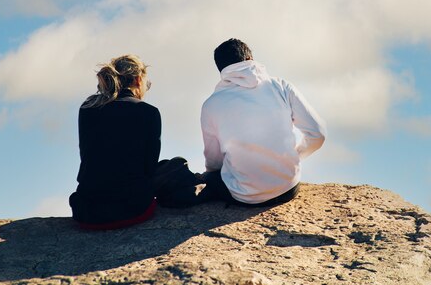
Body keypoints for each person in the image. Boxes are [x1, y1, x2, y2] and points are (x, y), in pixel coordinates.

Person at [69, 54, 199, 230]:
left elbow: (89, 155)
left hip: (86, 211)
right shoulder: (148, 112)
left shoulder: (88, 107)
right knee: (176, 165)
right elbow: (148, 167)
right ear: (138, 80)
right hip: (132, 209)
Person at [200, 39, 326, 206]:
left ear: (222, 70)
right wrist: (295, 156)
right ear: (250, 58)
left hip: (245, 197)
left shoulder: (211, 105)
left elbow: (214, 160)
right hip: (288, 188)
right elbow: (318, 134)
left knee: (209, 178)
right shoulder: (281, 86)